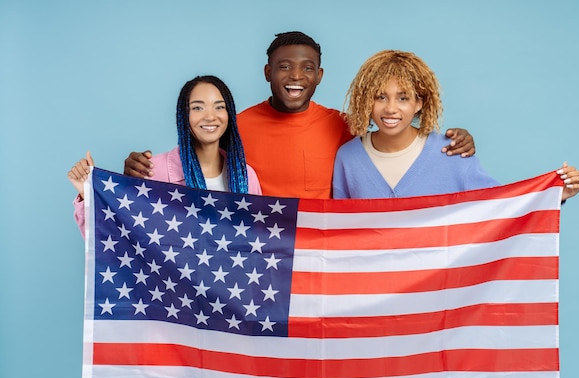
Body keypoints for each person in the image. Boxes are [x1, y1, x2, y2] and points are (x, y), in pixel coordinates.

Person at [123, 31, 477, 199]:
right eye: (284, 67)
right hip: (260, 253)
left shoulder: (344, 126)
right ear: (267, 73)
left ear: (319, 76)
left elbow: (388, 144)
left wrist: (455, 140)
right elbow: (199, 158)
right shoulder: (238, 124)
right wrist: (141, 170)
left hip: (324, 254)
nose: (295, 77)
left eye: (307, 68)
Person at [332, 50, 579, 200]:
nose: (390, 108)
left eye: (403, 97)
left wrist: (552, 195)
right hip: (373, 286)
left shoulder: (451, 152)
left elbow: (497, 204)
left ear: (419, 102)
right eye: (380, 97)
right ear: (367, 100)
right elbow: (339, 228)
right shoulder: (349, 158)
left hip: (440, 287)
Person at [68, 75, 262, 237]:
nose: (210, 116)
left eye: (219, 107)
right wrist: (88, 194)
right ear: (183, 116)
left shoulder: (246, 176)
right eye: (197, 107)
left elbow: (258, 244)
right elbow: (118, 239)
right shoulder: (152, 171)